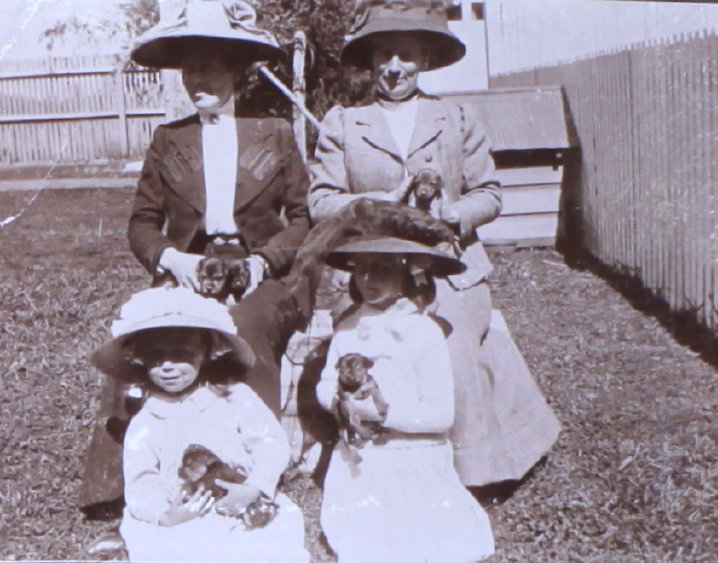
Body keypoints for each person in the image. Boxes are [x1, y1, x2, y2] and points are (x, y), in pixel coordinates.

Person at [308, 0, 560, 488]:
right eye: (384, 56)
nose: (394, 68)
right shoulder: (344, 123)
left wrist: (453, 213)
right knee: (369, 348)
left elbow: (489, 193)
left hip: (451, 264)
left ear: (423, 60)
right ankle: (379, 457)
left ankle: (471, 470)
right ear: (371, 62)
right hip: (369, 270)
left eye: (405, 56)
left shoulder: (456, 116)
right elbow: (320, 202)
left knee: (452, 340)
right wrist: (376, 202)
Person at [80, 0, 310, 517]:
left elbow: (301, 218)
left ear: (235, 70)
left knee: (247, 325)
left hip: (258, 269)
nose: (197, 78)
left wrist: (263, 263)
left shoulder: (273, 132)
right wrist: (170, 259)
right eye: (190, 68)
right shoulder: (170, 140)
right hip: (189, 268)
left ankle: (249, 476)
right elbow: (141, 222)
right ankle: (124, 480)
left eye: (209, 66)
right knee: (144, 330)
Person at [91, 287, 309, 562]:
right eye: (156, 358)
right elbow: (141, 480)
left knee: (261, 544)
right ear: (140, 358)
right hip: (183, 509)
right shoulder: (147, 419)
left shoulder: (233, 396)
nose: (167, 366)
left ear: (207, 353)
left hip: (239, 498)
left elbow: (269, 443)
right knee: (172, 547)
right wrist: (166, 514)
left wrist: (255, 486)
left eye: (181, 354)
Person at [316, 235, 494, 563]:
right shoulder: (347, 329)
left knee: (424, 539)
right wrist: (339, 404)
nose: (368, 279)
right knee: (365, 539)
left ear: (406, 275)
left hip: (413, 455)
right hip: (362, 458)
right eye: (361, 270)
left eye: (381, 270)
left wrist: (381, 414)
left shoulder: (423, 332)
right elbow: (327, 381)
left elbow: (441, 416)